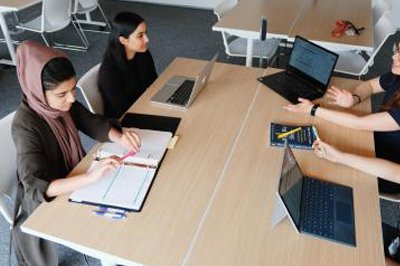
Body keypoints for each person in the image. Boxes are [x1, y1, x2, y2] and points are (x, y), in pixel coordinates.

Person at [12, 40, 141, 266]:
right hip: (47, 196)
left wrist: (120, 137)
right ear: (38, 92)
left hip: (74, 175)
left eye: (73, 90)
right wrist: (90, 178)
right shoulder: (25, 125)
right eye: (62, 94)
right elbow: (36, 186)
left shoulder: (60, 105)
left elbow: (90, 121)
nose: (72, 99)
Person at [284, 40, 400, 193]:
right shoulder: (396, 75)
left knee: (312, 170)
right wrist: (354, 98)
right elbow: (370, 86)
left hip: (383, 169)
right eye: (396, 50)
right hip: (371, 141)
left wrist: (313, 110)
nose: (393, 56)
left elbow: (360, 124)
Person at [98, 11, 158, 118]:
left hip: (146, 105)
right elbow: (125, 111)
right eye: (140, 36)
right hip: (125, 120)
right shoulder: (109, 73)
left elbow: (153, 82)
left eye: (145, 33)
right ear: (123, 40)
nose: (147, 39)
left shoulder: (142, 53)